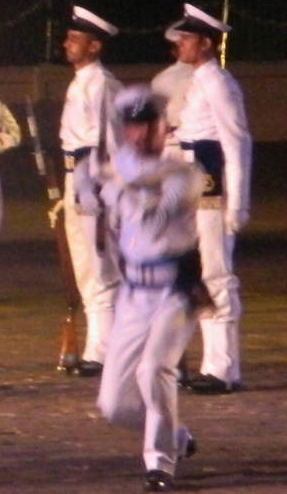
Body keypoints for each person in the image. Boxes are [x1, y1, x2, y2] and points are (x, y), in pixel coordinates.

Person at [96, 86, 202, 493]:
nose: (140, 136)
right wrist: (93, 186)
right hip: (134, 294)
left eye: (149, 126)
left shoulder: (184, 174)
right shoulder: (119, 169)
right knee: (115, 405)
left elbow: (154, 220)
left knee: (154, 369)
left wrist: (116, 185)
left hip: (174, 291)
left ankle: (159, 464)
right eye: (133, 128)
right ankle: (176, 436)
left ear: (165, 128)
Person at [159, 4, 251, 394]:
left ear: (207, 43)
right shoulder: (200, 80)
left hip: (213, 187)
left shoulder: (218, 82)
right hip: (195, 184)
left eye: (187, 38)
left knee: (215, 272)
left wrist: (238, 202)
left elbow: (236, 142)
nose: (179, 44)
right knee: (195, 273)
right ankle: (210, 363)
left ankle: (224, 368)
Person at [58, 6, 124, 377]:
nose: (67, 44)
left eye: (75, 39)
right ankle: (96, 347)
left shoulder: (102, 84)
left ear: (95, 46)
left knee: (101, 266)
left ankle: (104, 349)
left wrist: (102, 192)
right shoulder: (79, 81)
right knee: (84, 267)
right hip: (75, 178)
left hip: (94, 182)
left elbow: (111, 145)